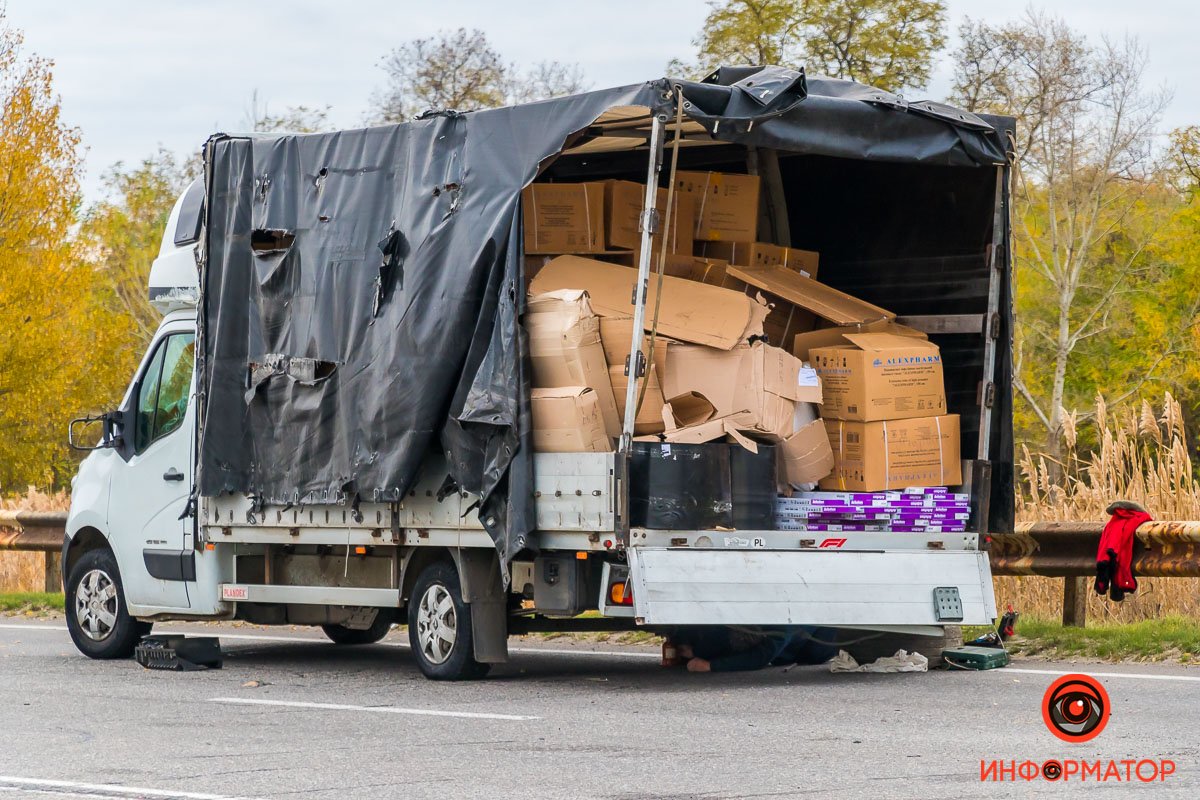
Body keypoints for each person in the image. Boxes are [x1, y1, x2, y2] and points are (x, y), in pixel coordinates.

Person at [671, 625, 841, 672]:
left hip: (817, 644)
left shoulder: (780, 629)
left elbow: (758, 658)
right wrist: (696, 651)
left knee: (813, 655)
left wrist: (711, 666)